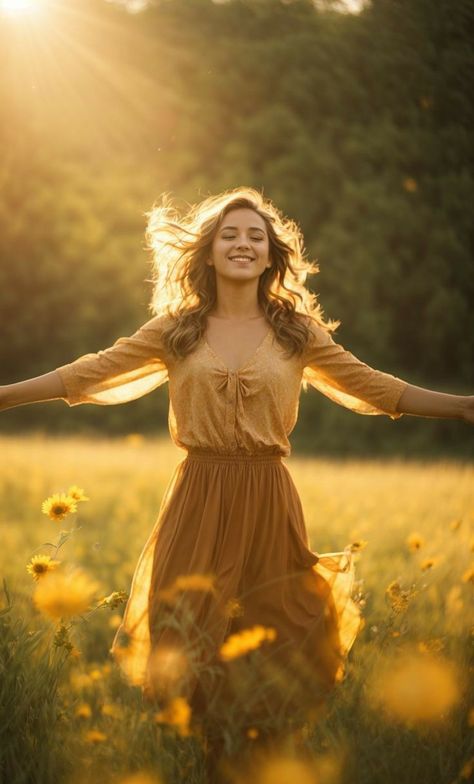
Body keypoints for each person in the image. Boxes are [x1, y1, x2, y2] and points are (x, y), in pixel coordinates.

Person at [1, 186, 472, 726]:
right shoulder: (175, 331)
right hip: (196, 502)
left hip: (267, 502)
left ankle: (259, 781)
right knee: (188, 649)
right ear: (208, 252)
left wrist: (461, 407)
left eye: (256, 236)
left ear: (272, 255)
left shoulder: (297, 334)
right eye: (229, 235)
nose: (243, 243)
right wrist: (7, 395)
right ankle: (212, 779)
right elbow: (91, 371)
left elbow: (374, 387)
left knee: (271, 653)